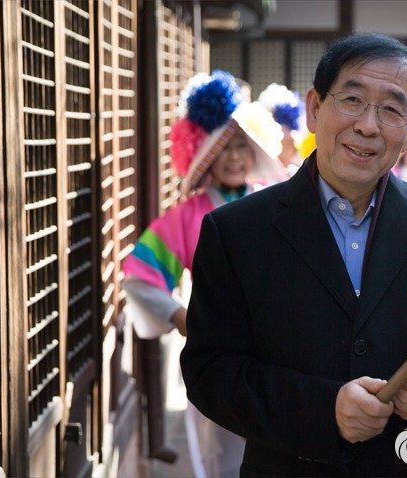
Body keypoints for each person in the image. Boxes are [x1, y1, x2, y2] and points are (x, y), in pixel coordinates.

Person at [181, 33, 407, 477]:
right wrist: (324, 410)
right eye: (352, 99)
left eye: (391, 109)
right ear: (314, 109)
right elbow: (210, 371)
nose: (368, 125)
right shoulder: (235, 232)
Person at [122, 70, 285, 477]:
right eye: (223, 147)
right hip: (217, 350)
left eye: (242, 145)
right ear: (205, 154)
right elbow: (141, 273)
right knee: (223, 456)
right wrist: (180, 316)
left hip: (278, 349)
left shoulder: (278, 204)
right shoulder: (187, 216)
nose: (234, 156)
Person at [258, 82, 308, 175]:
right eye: (277, 143)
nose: (282, 152)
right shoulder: (257, 173)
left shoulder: (302, 172)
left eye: (288, 145)